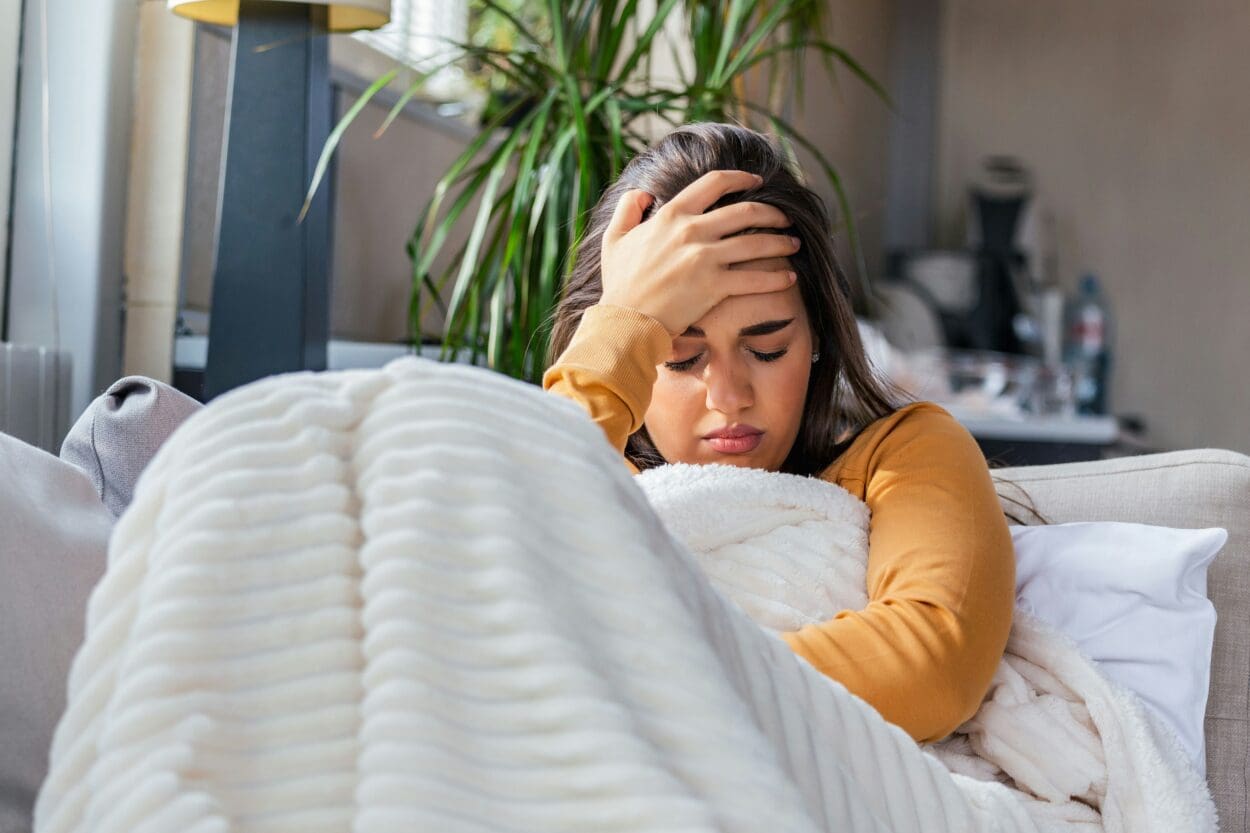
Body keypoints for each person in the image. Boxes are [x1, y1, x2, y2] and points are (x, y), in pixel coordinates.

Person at [542, 122, 1015, 745]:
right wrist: (623, 322)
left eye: (767, 348)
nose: (728, 396)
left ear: (817, 336)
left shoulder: (902, 458)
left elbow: (935, 667)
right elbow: (496, 574)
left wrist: (637, 690)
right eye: (680, 357)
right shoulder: (583, 475)